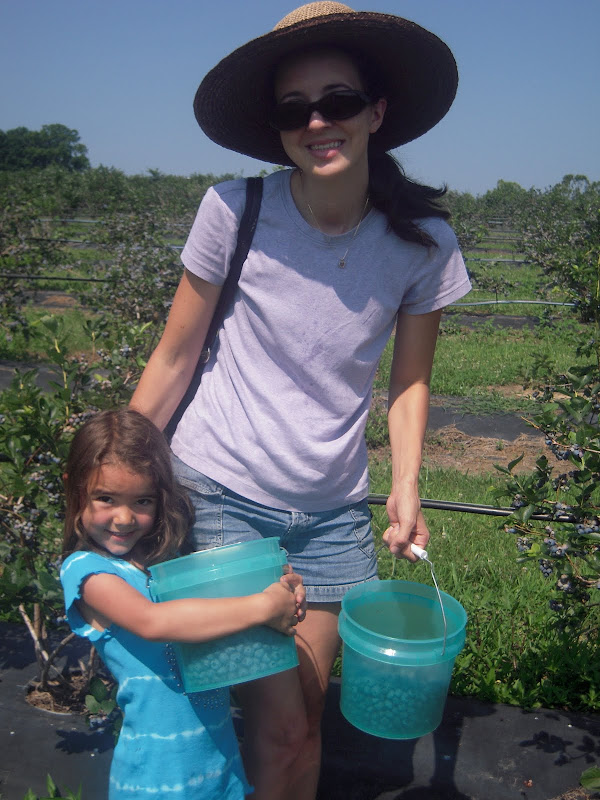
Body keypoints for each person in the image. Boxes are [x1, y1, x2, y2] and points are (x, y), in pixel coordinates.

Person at [130, 3, 472, 798]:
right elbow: (176, 356)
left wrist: (408, 484)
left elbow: (410, 381)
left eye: (339, 101)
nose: (318, 120)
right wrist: (113, 474)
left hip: (331, 513)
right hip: (223, 494)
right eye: (295, 110)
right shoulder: (234, 210)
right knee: (277, 717)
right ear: (278, 129)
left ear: (375, 113)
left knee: (307, 717)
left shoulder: (423, 242)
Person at [59, 408, 306, 800]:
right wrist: (261, 607)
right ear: (74, 490)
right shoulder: (87, 573)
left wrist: (279, 591)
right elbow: (152, 622)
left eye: (142, 501)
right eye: (105, 498)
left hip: (217, 763)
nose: (124, 518)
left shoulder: (161, 569)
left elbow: (216, 616)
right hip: (156, 777)